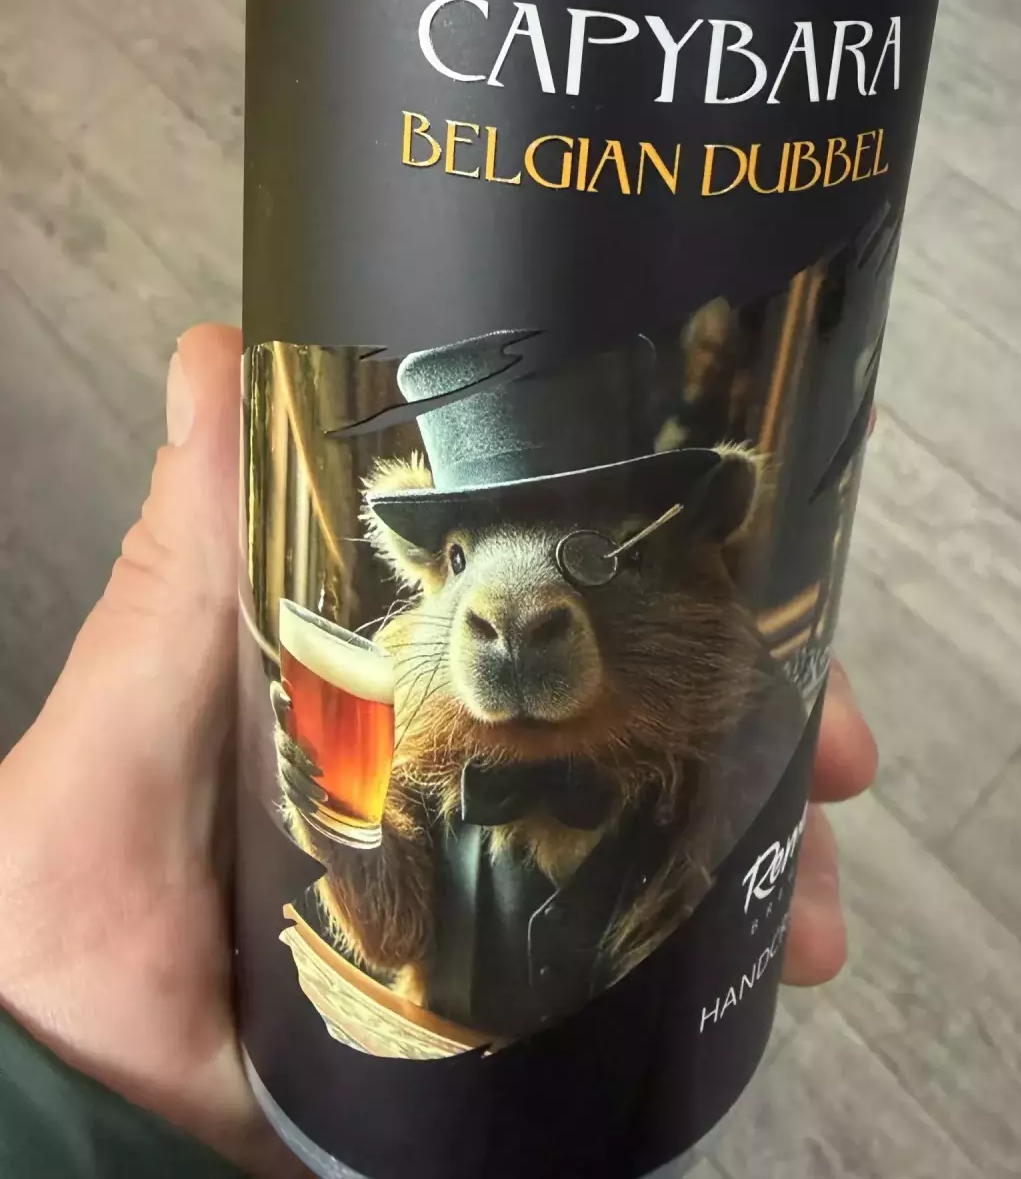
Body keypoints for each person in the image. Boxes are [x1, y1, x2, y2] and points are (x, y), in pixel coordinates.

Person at [0, 326, 878, 1178]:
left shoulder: (709, 729)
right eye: (460, 559)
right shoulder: (403, 748)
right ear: (426, 575)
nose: (511, 607)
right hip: (415, 1075)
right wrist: (345, 832)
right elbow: (393, 935)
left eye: (605, 555)